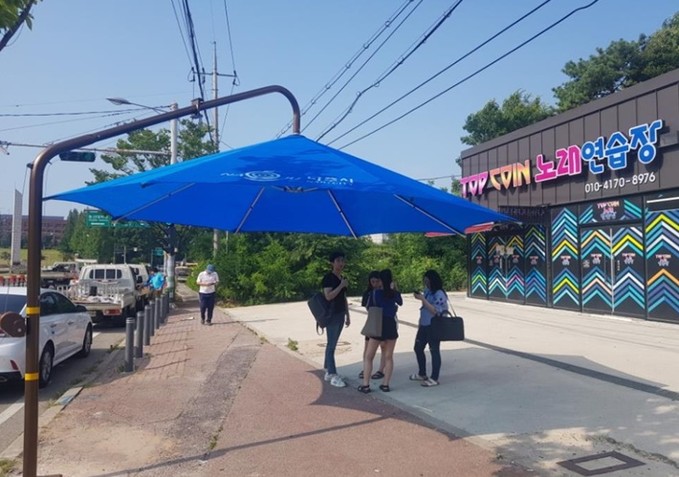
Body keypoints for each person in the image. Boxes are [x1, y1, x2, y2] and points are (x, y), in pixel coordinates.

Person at [359, 269, 402, 393]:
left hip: (378, 324)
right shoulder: (394, 293)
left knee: (369, 356)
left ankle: (366, 385)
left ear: (381, 280)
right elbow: (400, 302)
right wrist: (394, 289)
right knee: (389, 357)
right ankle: (385, 384)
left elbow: (369, 307)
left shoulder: (376, 293)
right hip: (391, 325)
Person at [411, 269, 448, 387]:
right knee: (418, 348)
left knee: (434, 350)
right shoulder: (427, 291)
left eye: (428, 281)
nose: (426, 284)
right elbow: (424, 307)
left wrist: (423, 299)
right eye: (425, 281)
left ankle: (434, 377)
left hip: (434, 325)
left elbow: (435, 311)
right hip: (424, 324)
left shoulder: (439, 294)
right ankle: (422, 373)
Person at [322, 251, 351, 388]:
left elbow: (343, 298)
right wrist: (341, 286)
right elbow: (328, 296)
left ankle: (328, 370)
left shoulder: (342, 278)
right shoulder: (328, 278)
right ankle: (332, 374)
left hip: (340, 314)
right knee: (331, 345)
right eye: (338, 261)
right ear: (332, 263)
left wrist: (348, 315)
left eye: (342, 260)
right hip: (331, 315)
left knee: (332, 343)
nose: (341, 263)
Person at [358, 271, 386, 380]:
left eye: (377, 281)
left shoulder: (385, 292)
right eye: (372, 282)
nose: (374, 284)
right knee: (367, 347)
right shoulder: (368, 293)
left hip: (384, 322)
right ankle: (366, 368)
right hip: (373, 321)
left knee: (384, 347)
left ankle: (381, 370)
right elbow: (367, 307)